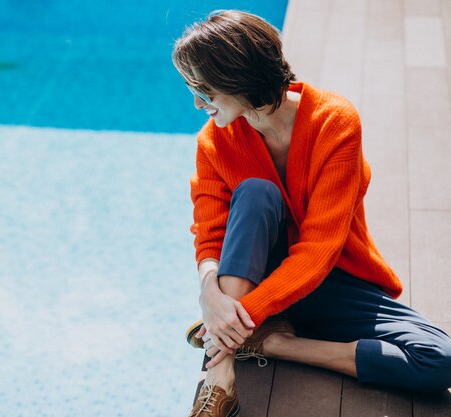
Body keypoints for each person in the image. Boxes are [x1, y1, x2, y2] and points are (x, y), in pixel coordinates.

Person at [172, 10, 451, 417]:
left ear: (239, 77)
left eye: (205, 90)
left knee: (437, 359)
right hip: (254, 280)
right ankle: (222, 377)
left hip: (331, 281)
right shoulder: (213, 142)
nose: (197, 103)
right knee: (255, 193)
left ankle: (271, 343)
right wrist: (209, 295)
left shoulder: (334, 123)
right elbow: (210, 233)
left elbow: (319, 251)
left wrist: (235, 322)